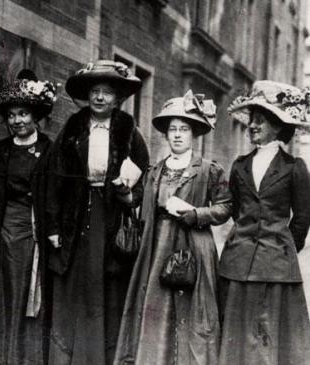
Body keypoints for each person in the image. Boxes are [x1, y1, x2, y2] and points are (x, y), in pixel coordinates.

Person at [114, 91, 232, 365]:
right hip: (157, 246)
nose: (178, 135)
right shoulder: (154, 171)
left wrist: (195, 213)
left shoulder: (208, 170)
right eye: (172, 130)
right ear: (166, 135)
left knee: (191, 310)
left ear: (194, 134)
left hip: (193, 246)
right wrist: (123, 191)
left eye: (184, 129)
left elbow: (225, 207)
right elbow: (137, 202)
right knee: (156, 305)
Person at [45, 60, 149, 365]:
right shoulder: (73, 127)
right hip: (75, 216)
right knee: (75, 283)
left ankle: (104, 357)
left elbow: (144, 173)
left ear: (117, 98)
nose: (100, 98)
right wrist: (52, 226)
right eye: (94, 91)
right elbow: (54, 178)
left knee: (108, 284)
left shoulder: (129, 131)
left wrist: (129, 193)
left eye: (106, 92)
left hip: (111, 217)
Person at [219, 81, 310, 365]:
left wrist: (281, 248)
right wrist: (246, 240)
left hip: (277, 268)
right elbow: (236, 210)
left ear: (278, 125)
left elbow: (303, 218)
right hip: (238, 263)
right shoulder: (239, 164)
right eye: (252, 120)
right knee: (237, 334)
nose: (253, 126)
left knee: (270, 337)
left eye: (261, 119)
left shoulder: (295, 167)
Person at [0, 69, 57, 364]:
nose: (17, 121)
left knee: (33, 293)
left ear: (35, 115)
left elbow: (55, 195)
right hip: (4, 229)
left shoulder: (49, 150)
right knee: (7, 292)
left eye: (23, 113)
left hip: (35, 230)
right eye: (11, 115)